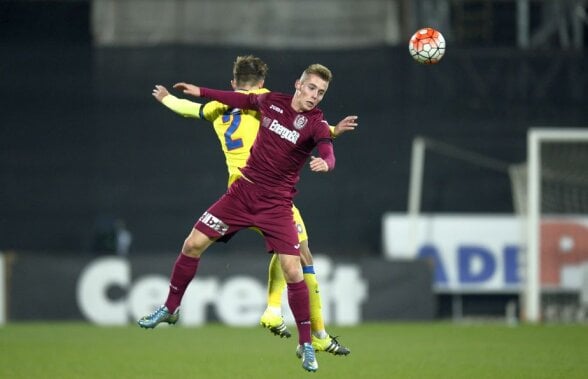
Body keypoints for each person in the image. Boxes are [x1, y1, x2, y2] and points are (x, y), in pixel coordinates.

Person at [137, 62, 350, 373]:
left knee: (294, 268)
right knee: (192, 243)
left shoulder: (316, 122)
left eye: (321, 92)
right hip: (241, 195)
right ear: (298, 84)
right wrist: (201, 91)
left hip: (276, 206)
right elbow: (239, 99)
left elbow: (326, 147)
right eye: (311, 88)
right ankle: (170, 308)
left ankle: (306, 343)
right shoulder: (271, 101)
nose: (315, 95)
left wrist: (327, 163)